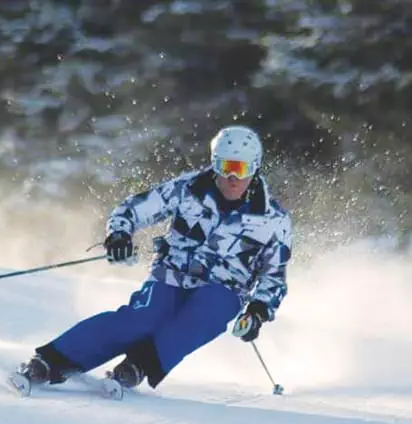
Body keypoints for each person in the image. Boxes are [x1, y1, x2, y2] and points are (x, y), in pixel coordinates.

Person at [17, 125, 292, 391]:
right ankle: (53, 361)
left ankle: (138, 365)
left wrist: (258, 311)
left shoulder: (272, 219)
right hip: (172, 274)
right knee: (142, 319)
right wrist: (120, 235)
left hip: (225, 288)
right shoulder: (187, 189)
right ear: (214, 163)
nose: (232, 178)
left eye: (240, 169)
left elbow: (274, 276)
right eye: (225, 167)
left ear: (254, 169)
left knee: (204, 314)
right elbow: (134, 210)